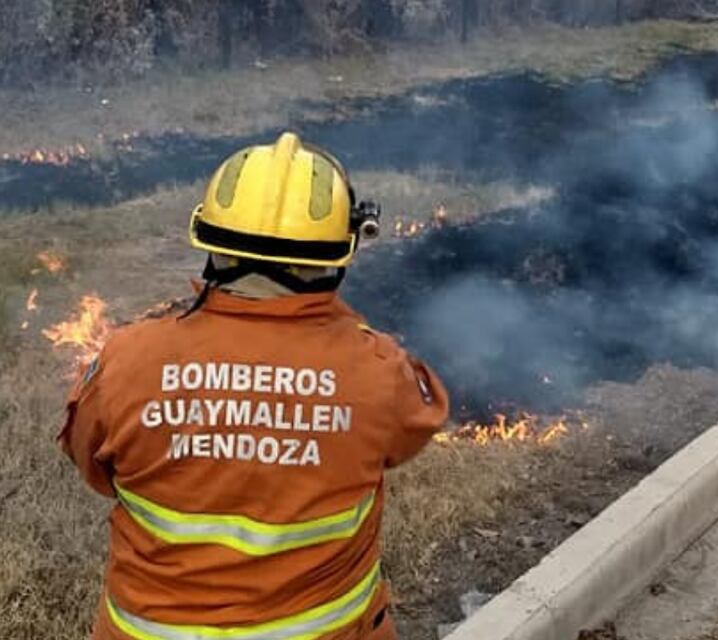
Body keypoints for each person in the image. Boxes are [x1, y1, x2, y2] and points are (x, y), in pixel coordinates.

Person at [58, 132, 450, 640]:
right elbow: (414, 427)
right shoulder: (375, 370)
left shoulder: (127, 360)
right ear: (338, 254)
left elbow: (91, 465)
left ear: (209, 243)